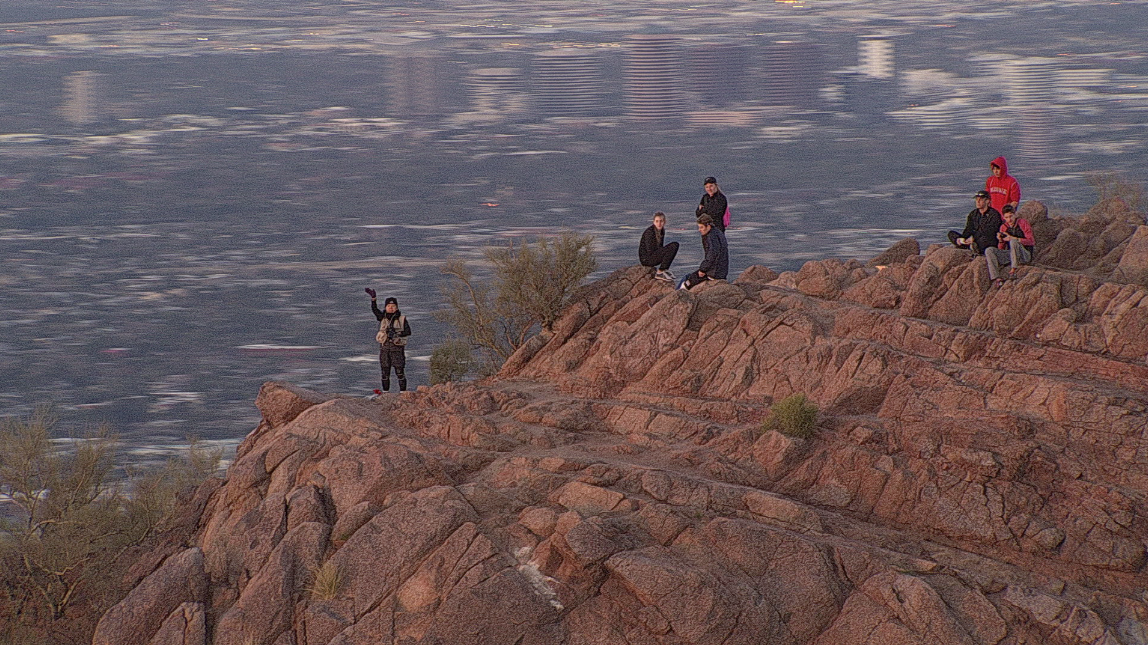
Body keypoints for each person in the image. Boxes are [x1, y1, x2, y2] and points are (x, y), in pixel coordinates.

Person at [365, 289, 412, 392]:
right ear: (386, 307)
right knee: (385, 372)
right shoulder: (382, 317)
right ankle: (386, 393)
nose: (391, 308)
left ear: (397, 307)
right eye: (389, 306)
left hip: (397, 348)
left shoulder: (402, 319)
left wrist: (397, 333)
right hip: (385, 348)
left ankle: (403, 393)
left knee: (400, 371)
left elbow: (408, 331)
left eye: (393, 306)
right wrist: (373, 299)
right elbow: (375, 310)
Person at [985, 204, 1035, 285]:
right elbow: (1001, 248)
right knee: (989, 250)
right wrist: (1001, 240)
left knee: (1013, 242)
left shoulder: (1022, 223)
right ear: (1003, 217)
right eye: (1006, 217)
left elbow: (1031, 241)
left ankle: (1013, 270)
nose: (1009, 220)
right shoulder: (1003, 227)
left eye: (1011, 216)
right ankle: (996, 277)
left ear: (1015, 215)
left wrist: (1014, 238)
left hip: (1024, 254)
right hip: (1011, 254)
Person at [679, 214, 728, 290]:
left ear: (708, 226)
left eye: (701, 227)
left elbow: (712, 254)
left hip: (714, 273)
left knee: (688, 279)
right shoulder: (717, 233)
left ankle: (678, 293)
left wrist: (703, 269)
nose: (699, 229)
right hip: (720, 271)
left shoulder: (711, 237)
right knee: (691, 276)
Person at [948, 190, 1002, 255]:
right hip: (974, 239)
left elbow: (990, 231)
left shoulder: (994, 214)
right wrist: (963, 238)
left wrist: (974, 238)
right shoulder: (973, 214)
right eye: (976, 199)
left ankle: (975, 247)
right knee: (951, 233)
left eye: (981, 199)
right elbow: (969, 228)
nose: (978, 202)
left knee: (984, 239)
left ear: (987, 201)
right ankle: (965, 245)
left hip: (987, 240)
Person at [639, 211, 679, 282]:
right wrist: (661, 252)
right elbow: (649, 250)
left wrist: (662, 252)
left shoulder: (661, 231)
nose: (659, 223)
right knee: (673, 246)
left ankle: (665, 269)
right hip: (647, 259)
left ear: (664, 222)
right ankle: (660, 272)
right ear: (653, 222)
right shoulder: (650, 232)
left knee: (674, 246)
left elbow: (660, 246)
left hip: (653, 255)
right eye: (657, 221)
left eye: (661, 221)